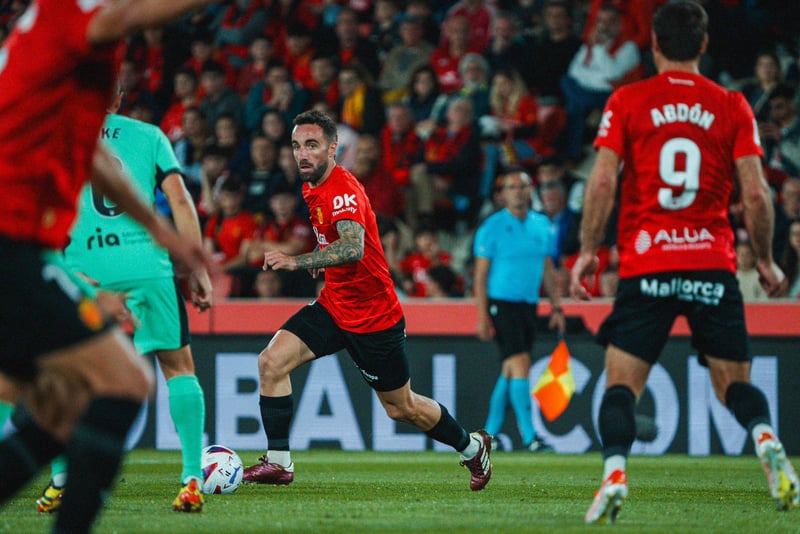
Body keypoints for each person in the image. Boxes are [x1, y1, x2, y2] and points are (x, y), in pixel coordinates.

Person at [569, 1, 798, 524]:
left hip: (648, 263)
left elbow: (601, 181)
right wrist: (765, 260)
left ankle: (615, 474)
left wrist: (587, 252)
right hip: (711, 263)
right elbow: (757, 194)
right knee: (733, 384)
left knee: (621, 385)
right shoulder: (732, 104)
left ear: (653, 44)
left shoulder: (628, 100)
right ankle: (766, 440)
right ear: (703, 43)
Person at [0, 1, 216, 532]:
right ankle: (186, 475)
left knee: (59, 407)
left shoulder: (60, 68)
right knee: (126, 381)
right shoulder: (71, 15)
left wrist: (161, 230)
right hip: (13, 241)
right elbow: (123, 18)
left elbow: (94, 160)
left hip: (38, 248)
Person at [242, 109, 492, 491]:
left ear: (333, 148)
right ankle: (278, 462)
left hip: (374, 317)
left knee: (401, 407)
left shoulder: (341, 188)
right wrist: (321, 255)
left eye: (311, 145)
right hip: (335, 304)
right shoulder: (311, 185)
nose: (302, 154)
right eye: (296, 145)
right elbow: (339, 242)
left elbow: (353, 247)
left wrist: (298, 260)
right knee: (271, 362)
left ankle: (473, 447)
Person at [43, 95, 214, 514]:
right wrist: (196, 267)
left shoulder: (59, 137)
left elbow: (44, 207)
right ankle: (191, 479)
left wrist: (57, 266)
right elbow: (180, 200)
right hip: (146, 265)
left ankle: (61, 479)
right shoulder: (150, 136)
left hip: (84, 267)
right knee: (178, 368)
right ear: (118, 96)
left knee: (65, 371)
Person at [474, 170, 565, 453]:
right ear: (503, 194)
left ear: (530, 190)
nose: (517, 192)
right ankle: (530, 437)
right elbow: (480, 276)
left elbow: (548, 269)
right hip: (502, 303)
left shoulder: (543, 225)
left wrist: (557, 306)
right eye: (511, 187)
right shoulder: (492, 227)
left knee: (510, 369)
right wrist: (481, 316)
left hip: (528, 304)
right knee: (521, 361)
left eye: (522, 186)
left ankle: (488, 435)